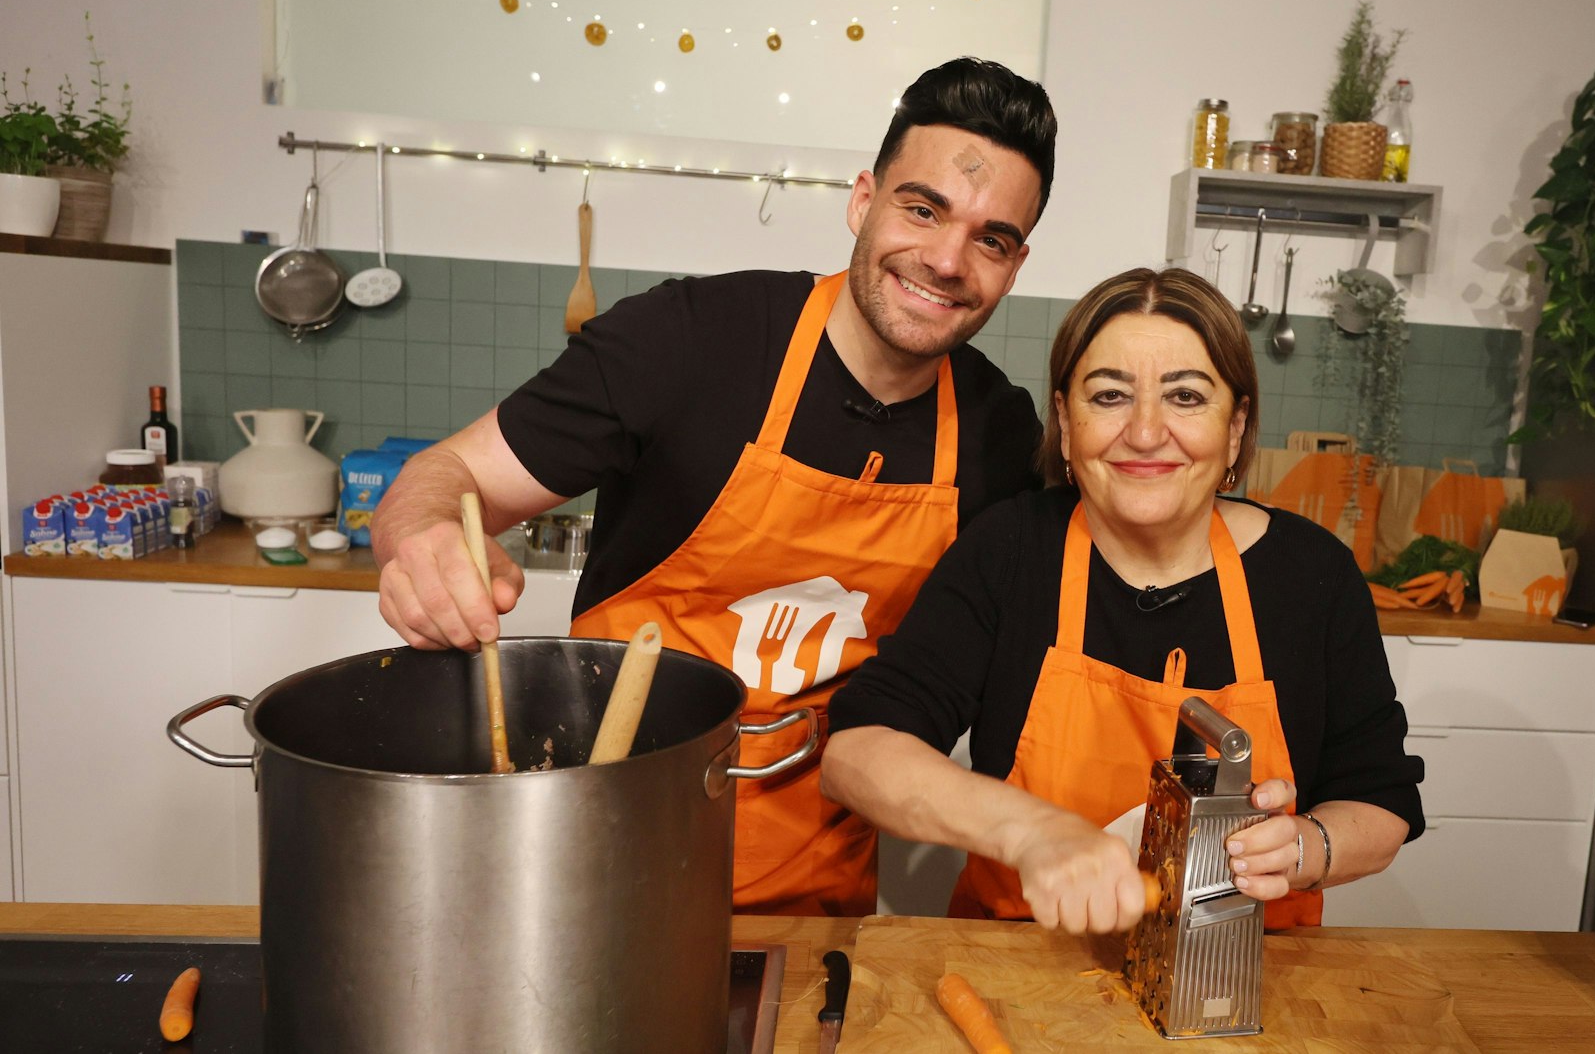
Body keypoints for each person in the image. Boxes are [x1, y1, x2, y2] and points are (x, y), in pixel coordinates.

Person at [369, 57, 1058, 916]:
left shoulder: (999, 435)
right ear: (862, 200)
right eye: (923, 208)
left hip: (812, 907)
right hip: (591, 868)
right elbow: (448, 476)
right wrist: (423, 533)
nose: (947, 259)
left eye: (991, 238)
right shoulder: (692, 342)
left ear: (1016, 263)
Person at [822, 267, 1423, 935]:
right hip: (1022, 970)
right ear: (1065, 421)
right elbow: (857, 752)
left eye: (1187, 397)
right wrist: (1032, 832)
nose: (1144, 432)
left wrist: (1305, 847)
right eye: (1109, 395)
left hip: (1245, 984)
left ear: (1235, 427)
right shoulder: (1011, 550)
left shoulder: (1313, 577)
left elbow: (1381, 801)